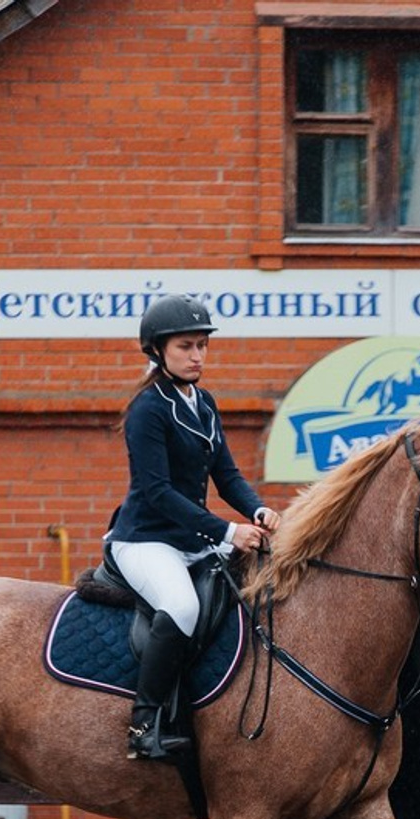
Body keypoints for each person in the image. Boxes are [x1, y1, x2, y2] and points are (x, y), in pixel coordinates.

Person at [106, 294, 280, 761]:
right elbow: (159, 492)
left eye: (203, 345)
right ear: (159, 350)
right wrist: (228, 532)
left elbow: (226, 475)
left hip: (190, 541)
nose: (198, 356)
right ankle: (143, 723)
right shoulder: (149, 410)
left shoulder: (203, 401)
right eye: (187, 346)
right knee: (181, 606)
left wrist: (257, 510)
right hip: (144, 540)